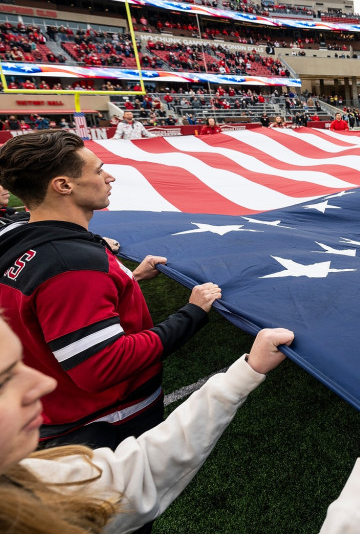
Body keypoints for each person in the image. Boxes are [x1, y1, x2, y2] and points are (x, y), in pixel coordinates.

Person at [0, 320, 360, 533]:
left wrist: (245, 373)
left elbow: (137, 471)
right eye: (5, 378)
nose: (43, 382)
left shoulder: (25, 484)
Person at [0, 130, 221, 450]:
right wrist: (193, 312)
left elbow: (52, 306)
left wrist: (129, 279)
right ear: (64, 185)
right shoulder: (73, 264)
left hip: (57, 408)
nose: (110, 176)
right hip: (105, 420)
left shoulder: (19, 236)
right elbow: (104, 366)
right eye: (98, 170)